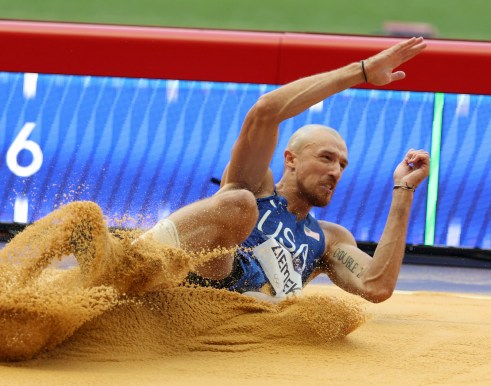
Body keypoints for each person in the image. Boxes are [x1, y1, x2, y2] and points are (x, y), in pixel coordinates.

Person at [140, 36, 430, 303]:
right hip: (188, 281)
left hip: (227, 319)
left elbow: (375, 286)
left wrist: (404, 190)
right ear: (291, 159)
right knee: (239, 203)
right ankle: (132, 262)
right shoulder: (255, 185)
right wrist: (362, 72)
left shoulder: (328, 239)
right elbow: (265, 112)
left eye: (342, 165)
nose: (336, 171)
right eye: (326, 158)